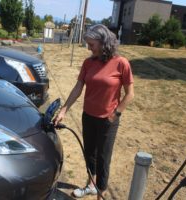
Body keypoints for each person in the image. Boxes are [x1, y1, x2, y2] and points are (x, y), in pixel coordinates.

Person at [53, 24, 134, 200]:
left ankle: (100, 195)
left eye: (91, 44)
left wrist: (116, 114)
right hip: (88, 116)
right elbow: (78, 87)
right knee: (90, 154)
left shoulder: (121, 63)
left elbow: (130, 94)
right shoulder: (88, 63)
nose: (88, 48)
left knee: (104, 160)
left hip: (108, 120)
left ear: (103, 42)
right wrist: (64, 110)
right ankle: (91, 185)